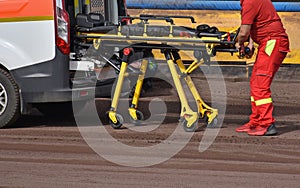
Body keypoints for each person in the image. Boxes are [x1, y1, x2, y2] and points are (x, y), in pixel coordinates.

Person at [235, 0, 290, 136]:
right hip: (270, 41)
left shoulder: (249, 2)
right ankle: (256, 121)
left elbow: (244, 32)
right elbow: (256, 24)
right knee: (255, 82)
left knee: (260, 84)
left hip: (272, 42)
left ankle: (267, 124)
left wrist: (239, 43)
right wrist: (251, 43)